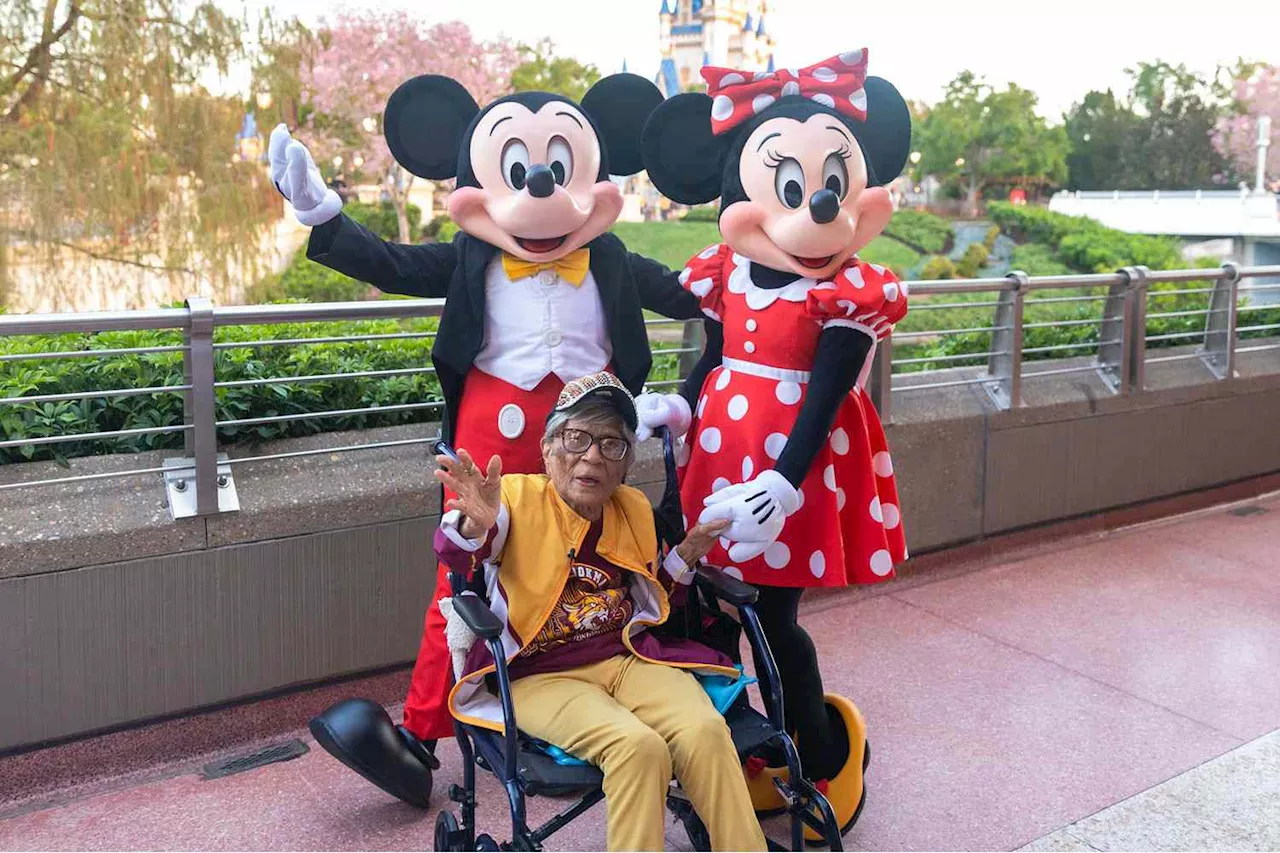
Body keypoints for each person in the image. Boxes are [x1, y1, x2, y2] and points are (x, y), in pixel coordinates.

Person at [640, 50, 914, 836]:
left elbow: (828, 393)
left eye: (830, 186)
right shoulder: (729, 271)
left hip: (788, 471)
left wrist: (787, 480)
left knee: (773, 619)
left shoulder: (846, 289)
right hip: (717, 461)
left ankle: (819, 748)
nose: (818, 210)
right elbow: (714, 355)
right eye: (790, 188)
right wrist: (680, 405)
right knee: (710, 614)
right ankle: (736, 740)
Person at [433, 371, 766, 853]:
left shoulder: (630, 508)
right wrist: (469, 522)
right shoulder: (514, 500)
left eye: (612, 444)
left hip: (626, 659)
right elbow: (460, 552)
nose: (592, 456)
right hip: (540, 675)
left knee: (705, 729)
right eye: (576, 438)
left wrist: (690, 550)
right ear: (548, 449)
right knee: (636, 747)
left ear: (626, 462)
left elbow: (655, 597)